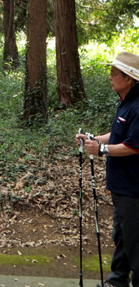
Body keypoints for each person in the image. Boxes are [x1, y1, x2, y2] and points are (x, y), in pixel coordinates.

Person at [76, 52, 139, 287]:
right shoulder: (126, 102)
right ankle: (117, 281)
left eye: (114, 74)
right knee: (121, 235)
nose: (110, 78)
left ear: (129, 79)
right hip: (120, 184)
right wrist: (92, 139)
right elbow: (118, 136)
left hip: (133, 187)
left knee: (134, 241)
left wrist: (101, 149)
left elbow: (133, 146)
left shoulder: (137, 106)